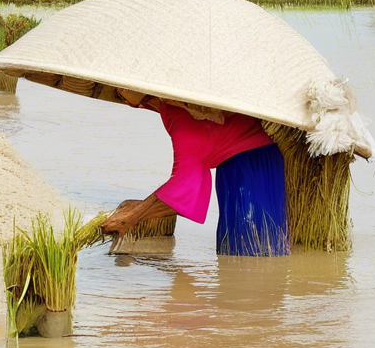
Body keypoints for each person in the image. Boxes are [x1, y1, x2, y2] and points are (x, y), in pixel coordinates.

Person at [100, 89, 290, 256]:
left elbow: (185, 186)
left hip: (249, 167)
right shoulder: (178, 105)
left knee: (249, 249)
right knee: (247, 250)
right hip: (251, 161)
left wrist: (132, 218)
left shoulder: (178, 112)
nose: (120, 92)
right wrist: (136, 210)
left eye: (121, 89)